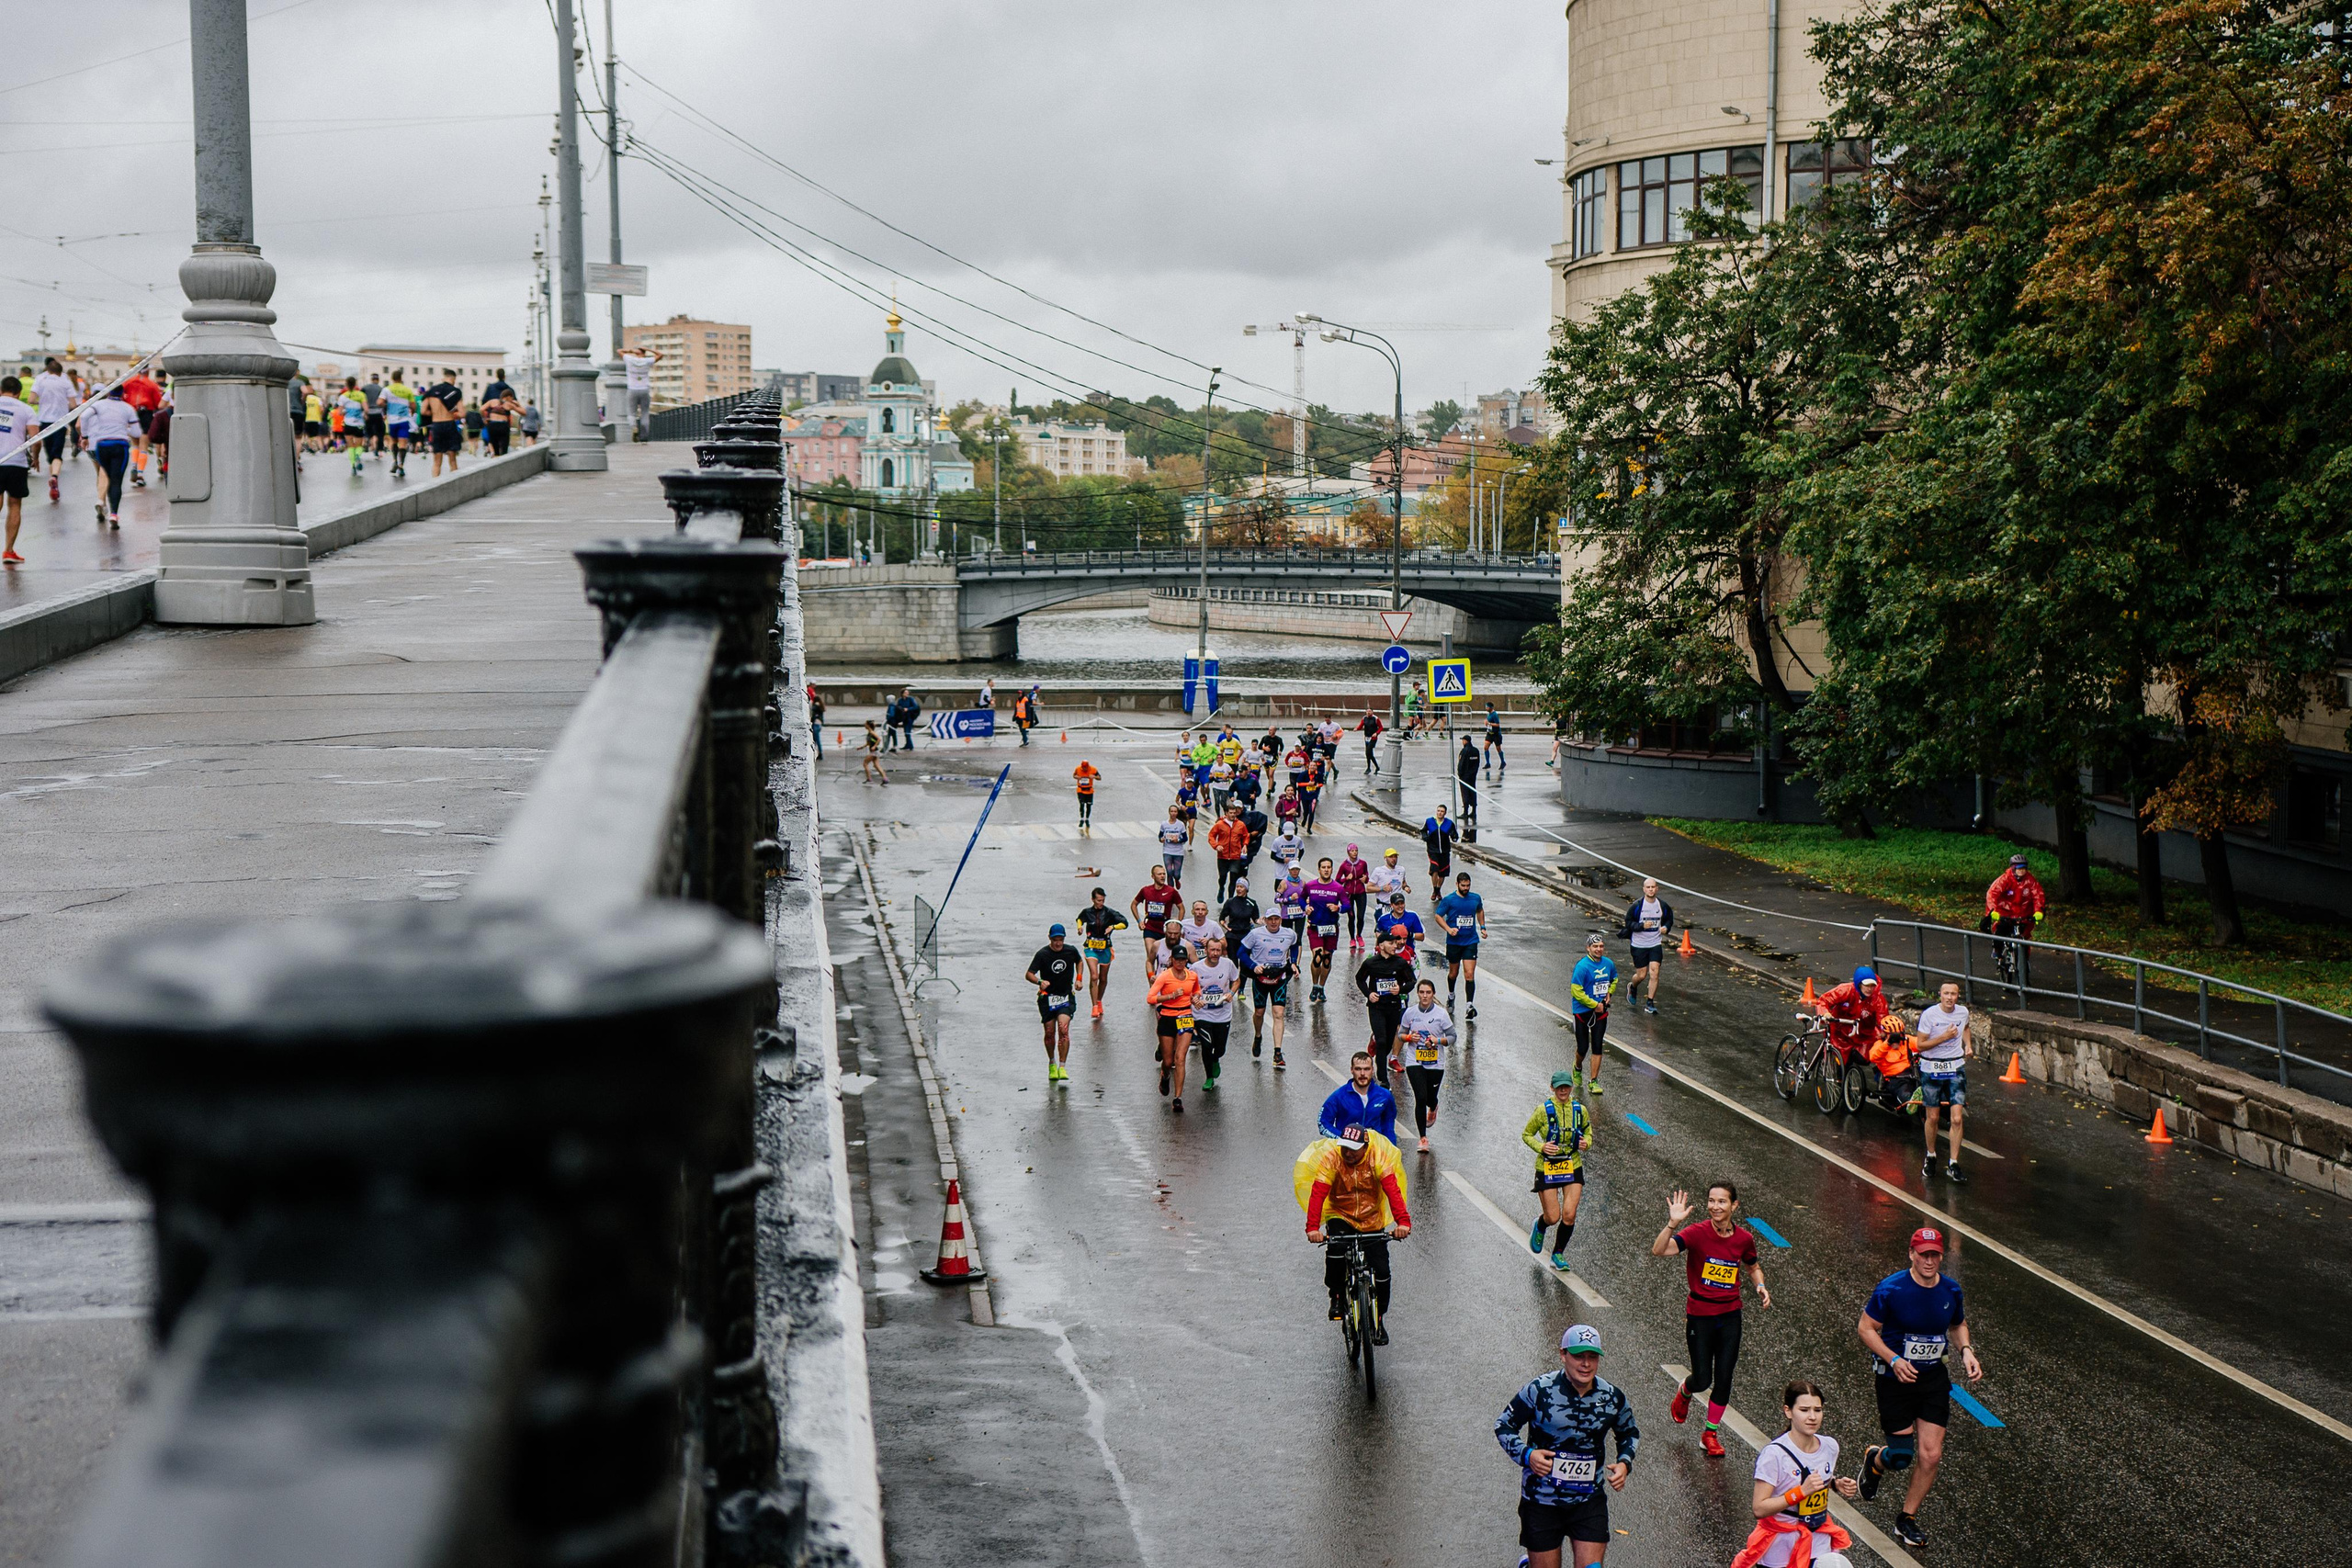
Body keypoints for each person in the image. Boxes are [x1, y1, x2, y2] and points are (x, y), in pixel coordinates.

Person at [1856, 1227, 1981, 1550]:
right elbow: (1866, 1328)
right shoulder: (1891, 1289)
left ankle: (1906, 1519)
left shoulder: (1951, 1291)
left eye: (1935, 1254)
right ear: (1911, 1253)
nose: (1929, 1260)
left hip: (1932, 1381)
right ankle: (1876, 1460)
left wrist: (1966, 1351)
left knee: (1931, 1454)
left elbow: (1957, 1325)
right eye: (1923, 1253)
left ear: (1941, 1256)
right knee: (1901, 1457)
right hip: (1894, 1379)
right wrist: (1894, 1358)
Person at [1494, 1325, 1638, 1568]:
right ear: (1563, 1355)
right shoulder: (1539, 1390)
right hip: (1541, 1500)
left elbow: (1629, 1432)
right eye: (1578, 1356)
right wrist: (1527, 1455)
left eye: (1592, 1357)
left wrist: (1625, 1463)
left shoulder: (1612, 1396)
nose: (1586, 1364)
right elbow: (1504, 1426)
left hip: (1588, 1499)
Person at [1652, 1183, 1770, 1459]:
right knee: (1703, 1378)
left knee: (1725, 1376)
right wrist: (1671, 1224)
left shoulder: (1743, 1239)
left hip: (1730, 1315)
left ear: (1734, 1206)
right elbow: (1660, 1250)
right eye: (1711, 1201)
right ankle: (1686, 1388)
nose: (1716, 1207)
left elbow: (1752, 1266)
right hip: (1700, 1315)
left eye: (1722, 1202)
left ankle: (1710, 1433)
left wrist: (1760, 1285)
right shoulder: (1697, 1233)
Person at [1299, 1121, 1409, 1338]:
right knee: (1335, 1252)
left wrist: (1403, 1222)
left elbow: (1393, 1192)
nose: (1347, 1153)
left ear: (1365, 1147)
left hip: (1372, 1220)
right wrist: (1313, 1227)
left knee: (1383, 1272)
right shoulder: (1331, 1160)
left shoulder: (1378, 1158)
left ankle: (1378, 1319)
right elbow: (1318, 1194)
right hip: (1341, 1215)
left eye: (1353, 1148)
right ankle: (1337, 1296)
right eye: (1344, 1147)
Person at [1740, 1381, 1860, 1568]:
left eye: (1817, 1410)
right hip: (1781, 1545)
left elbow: (1814, 1482)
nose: (1812, 1417)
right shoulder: (1774, 1455)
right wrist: (1800, 1492)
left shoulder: (1830, 1446)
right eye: (1804, 1410)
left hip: (1818, 1538)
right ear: (1788, 1411)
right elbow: (1759, 1508)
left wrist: (1835, 1484)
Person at [1523, 1070, 1592, 1270]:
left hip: (1572, 1164)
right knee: (1554, 1216)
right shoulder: (1542, 1111)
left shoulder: (1580, 1110)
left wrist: (1586, 1142)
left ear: (1571, 1087)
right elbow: (1527, 1134)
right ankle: (1541, 1224)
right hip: (1547, 1166)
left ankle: (1558, 1254)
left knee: (1569, 1214)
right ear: (1552, 1088)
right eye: (1559, 1087)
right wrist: (1541, 1147)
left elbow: (1588, 1130)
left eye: (1567, 1086)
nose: (1563, 1090)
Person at [1912, 981, 1972, 1184]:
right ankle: (1931, 1155)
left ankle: (1954, 1163)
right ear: (1940, 995)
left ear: (1957, 996)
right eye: (1946, 993)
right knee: (1934, 1117)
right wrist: (1944, 1037)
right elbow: (1920, 1045)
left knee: (1956, 1119)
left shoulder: (1962, 1012)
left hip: (1955, 1067)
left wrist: (1968, 1045)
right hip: (1931, 1067)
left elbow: (1966, 1027)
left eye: (1953, 994)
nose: (1949, 997)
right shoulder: (1929, 1015)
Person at [1395, 980, 1455, 1150]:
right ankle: (1423, 1138)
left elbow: (1452, 1037)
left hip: (1436, 1063)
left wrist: (1437, 1041)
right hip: (1415, 1061)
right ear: (1418, 994)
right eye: (1421, 992)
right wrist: (1408, 1038)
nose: (1424, 996)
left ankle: (1434, 1106)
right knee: (1420, 1098)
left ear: (1433, 994)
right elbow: (1401, 1034)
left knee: (1430, 1098)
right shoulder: (1410, 1013)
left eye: (1428, 992)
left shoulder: (1441, 1014)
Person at [1352, 929, 1415, 1090]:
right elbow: (1359, 979)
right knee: (1381, 1041)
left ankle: (1379, 1052)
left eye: (1396, 943)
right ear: (1381, 945)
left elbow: (1411, 981)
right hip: (1376, 1008)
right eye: (1391, 943)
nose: (1395, 946)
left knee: (1386, 1043)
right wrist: (1369, 994)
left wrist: (1400, 989)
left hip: (1393, 1007)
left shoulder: (1400, 963)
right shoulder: (1371, 963)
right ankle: (1383, 1079)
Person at [1241, 908, 1297, 1067]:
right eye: (1270, 919)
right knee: (1259, 1012)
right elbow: (1241, 952)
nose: (1273, 922)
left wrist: (1293, 962)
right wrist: (1253, 966)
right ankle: (1258, 1036)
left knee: (1278, 1014)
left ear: (1280, 920)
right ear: (1265, 920)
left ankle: (1277, 1053)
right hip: (1261, 978)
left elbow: (1294, 945)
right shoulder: (1255, 934)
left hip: (1279, 977)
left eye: (1276, 919)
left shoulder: (1288, 933)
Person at [1145, 948, 1200, 1111]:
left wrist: (1196, 998)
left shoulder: (1192, 976)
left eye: (1183, 960)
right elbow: (1150, 998)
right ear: (1172, 959)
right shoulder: (1165, 976)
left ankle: (1177, 1098)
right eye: (1177, 959)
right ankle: (1165, 1075)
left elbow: (1197, 990)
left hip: (1185, 1016)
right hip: (1168, 1016)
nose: (1180, 962)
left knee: (1180, 1058)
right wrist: (1171, 996)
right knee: (1168, 1061)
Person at [1026, 924, 1081, 1084]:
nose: (1058, 943)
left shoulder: (1070, 951)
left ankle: (1062, 1066)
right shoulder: (1042, 954)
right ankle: (1052, 1062)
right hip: (1048, 998)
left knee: (1063, 1029)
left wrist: (1078, 979)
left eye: (1061, 940)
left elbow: (1079, 962)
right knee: (1050, 1032)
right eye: (1055, 940)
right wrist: (1040, 982)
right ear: (1050, 938)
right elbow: (1029, 974)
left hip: (1065, 997)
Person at [77, 387, 139, 530]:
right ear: (122, 393)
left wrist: (84, 437)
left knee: (101, 474)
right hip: (119, 444)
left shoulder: (96, 406)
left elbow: (82, 419)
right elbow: (136, 432)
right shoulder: (127, 408)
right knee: (114, 479)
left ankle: (101, 500)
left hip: (99, 445)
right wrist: (125, 428)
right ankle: (113, 513)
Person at [1984, 852, 2045, 989]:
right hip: (2005, 913)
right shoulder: (2005, 879)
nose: (2022, 870)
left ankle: (2024, 970)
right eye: (2019, 868)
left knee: (2024, 938)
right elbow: (1992, 894)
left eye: (2024, 868)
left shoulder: (2030, 880)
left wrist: (2038, 911)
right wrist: (1994, 911)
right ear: (2013, 868)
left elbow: (2038, 895)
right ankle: (1998, 950)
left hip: (2023, 914)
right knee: (2000, 930)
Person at [1568, 934, 1618, 1097]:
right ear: (1588, 948)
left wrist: (1609, 993)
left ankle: (1593, 1081)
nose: (1599, 949)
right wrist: (1593, 1004)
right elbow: (1576, 991)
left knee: (1597, 1045)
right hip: (1583, 1012)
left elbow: (1614, 979)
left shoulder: (1608, 964)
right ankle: (1577, 1067)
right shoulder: (1582, 967)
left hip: (1601, 1012)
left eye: (1601, 946)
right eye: (1595, 946)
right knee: (1583, 1047)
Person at [1190, 933, 1240, 1090]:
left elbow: (1236, 980)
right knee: (1206, 1045)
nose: (1215, 953)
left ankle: (1216, 1059)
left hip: (1223, 1014)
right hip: (1203, 1013)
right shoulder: (1196, 968)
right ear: (1206, 950)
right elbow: (1189, 988)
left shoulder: (1228, 964)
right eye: (1212, 950)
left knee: (1220, 1048)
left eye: (1218, 950)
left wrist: (1231, 994)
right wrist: (1195, 999)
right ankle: (1209, 1077)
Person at [1318, 1049, 1398, 1145]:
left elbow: (1388, 1124)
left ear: (1372, 1070)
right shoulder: (1339, 1096)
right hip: (1347, 1152)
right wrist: (1344, 1139)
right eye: (1358, 1069)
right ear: (1352, 1070)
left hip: (1374, 1151)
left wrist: (1391, 1148)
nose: (1362, 1074)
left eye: (1367, 1069)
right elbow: (1323, 1123)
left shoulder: (1385, 1096)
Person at [1434, 869, 1486, 1018]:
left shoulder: (1475, 898)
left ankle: (1469, 1005)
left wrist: (1482, 927)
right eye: (1463, 886)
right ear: (1457, 884)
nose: (1465, 888)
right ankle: (1451, 996)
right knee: (1453, 973)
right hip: (1454, 942)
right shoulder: (1449, 900)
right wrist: (1449, 929)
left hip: (1470, 941)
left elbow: (1480, 911)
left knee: (1469, 974)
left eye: (1468, 886)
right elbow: (1438, 916)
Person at [1816, 966, 1890, 1065]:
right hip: (1839, 1032)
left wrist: (1885, 1031)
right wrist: (1826, 1013)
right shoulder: (1845, 990)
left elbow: (1884, 1019)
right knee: (1840, 1065)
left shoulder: (1878, 999)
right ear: (1859, 984)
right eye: (1867, 985)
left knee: (1866, 1058)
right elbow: (1824, 1000)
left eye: (1872, 986)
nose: (1870, 989)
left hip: (1862, 1035)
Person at [1620, 877, 1673, 1014]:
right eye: (1648, 887)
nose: (1651, 889)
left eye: (1653, 887)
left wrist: (1666, 927)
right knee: (1642, 975)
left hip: (1655, 943)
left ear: (1657, 889)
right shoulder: (1637, 906)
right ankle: (1633, 986)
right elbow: (1628, 923)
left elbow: (1669, 919)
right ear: (1644, 889)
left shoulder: (1662, 905)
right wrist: (1641, 926)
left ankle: (1650, 1002)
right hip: (1639, 945)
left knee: (1655, 972)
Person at [1075, 887, 1127, 1018]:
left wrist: (1113, 927)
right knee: (1094, 976)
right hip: (1091, 948)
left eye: (1103, 900)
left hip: (1105, 948)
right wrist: (1079, 927)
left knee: (1103, 978)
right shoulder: (1087, 912)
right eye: (1098, 900)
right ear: (1093, 900)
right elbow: (1079, 919)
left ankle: (1099, 1001)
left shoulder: (1109, 913)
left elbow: (1125, 923)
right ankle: (1094, 1007)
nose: (1101, 903)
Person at [1303, 856, 1348, 1003]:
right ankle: (1315, 985)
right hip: (1315, 927)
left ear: (1332, 869)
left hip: (1331, 929)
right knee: (1318, 957)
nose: (1326, 870)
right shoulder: (1310, 885)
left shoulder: (1338, 888)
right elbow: (1301, 899)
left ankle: (1321, 987)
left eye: (1329, 867)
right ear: (1319, 869)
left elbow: (1347, 905)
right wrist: (1306, 907)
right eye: (1324, 867)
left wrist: (1338, 908)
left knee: (1327, 960)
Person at [0, 376, 36, 563]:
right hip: (16, 461)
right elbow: (35, 437)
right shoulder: (26, 409)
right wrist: (36, 458)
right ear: (19, 392)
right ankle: (8, 551)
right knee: (14, 504)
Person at [32, 357, 77, 502]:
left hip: (44, 421)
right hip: (60, 422)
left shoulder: (40, 379)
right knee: (57, 454)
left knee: (50, 455)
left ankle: (53, 483)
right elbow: (73, 404)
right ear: (60, 371)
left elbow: (32, 399)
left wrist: (43, 401)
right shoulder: (66, 381)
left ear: (48, 370)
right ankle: (54, 478)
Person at [1129, 865, 1184, 981]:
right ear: (1153, 876)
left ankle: (1168, 980)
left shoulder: (1171, 891)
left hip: (1166, 930)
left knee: (1167, 957)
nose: (1163, 876)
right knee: (1151, 956)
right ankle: (1152, 981)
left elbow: (1181, 908)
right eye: (1159, 874)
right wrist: (1139, 921)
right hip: (1150, 928)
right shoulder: (1146, 890)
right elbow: (1134, 904)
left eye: (1164, 874)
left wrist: (1177, 925)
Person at [120, 361, 162, 487]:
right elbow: (158, 404)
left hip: (131, 413)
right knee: (144, 445)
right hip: (146, 414)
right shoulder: (152, 385)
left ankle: (134, 465)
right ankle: (140, 474)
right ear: (148, 370)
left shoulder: (128, 382)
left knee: (135, 444)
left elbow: (122, 396)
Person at [422, 370, 465, 477]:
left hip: (436, 425)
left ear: (443, 378)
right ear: (453, 379)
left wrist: (434, 413)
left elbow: (423, 411)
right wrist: (454, 415)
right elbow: (462, 413)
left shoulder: (431, 391)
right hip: (449, 424)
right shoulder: (455, 392)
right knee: (452, 458)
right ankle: (455, 485)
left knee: (437, 460)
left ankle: (434, 485)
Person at [1208, 804, 1250, 901]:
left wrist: (1245, 845)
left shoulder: (1240, 824)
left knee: (1233, 878)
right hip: (1223, 856)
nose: (1232, 815)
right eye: (1230, 813)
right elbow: (1211, 836)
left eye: (1234, 813)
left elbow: (1246, 835)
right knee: (1222, 877)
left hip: (1235, 856)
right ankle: (1221, 888)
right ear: (1226, 813)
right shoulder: (1220, 824)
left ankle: (1230, 900)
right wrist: (1216, 846)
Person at [1374, 890, 1424, 965]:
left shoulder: (1413, 916)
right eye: (1397, 904)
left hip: (1406, 954)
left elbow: (1422, 937)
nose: (1400, 906)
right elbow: (1378, 934)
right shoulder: (1384, 918)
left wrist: (1408, 934)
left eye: (1402, 903)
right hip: (1388, 955)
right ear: (1391, 905)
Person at [1336, 843, 1371, 951]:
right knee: (1351, 917)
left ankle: (1359, 935)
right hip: (1349, 893)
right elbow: (1337, 880)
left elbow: (1367, 877)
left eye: (1356, 850)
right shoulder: (1344, 865)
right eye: (1352, 851)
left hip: (1360, 892)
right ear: (1348, 852)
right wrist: (1346, 879)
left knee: (1361, 916)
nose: (1354, 853)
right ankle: (1352, 939)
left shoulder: (1363, 863)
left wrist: (1365, 879)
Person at [381, 376, 417, 478]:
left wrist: (387, 406)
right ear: (401, 379)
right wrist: (411, 411)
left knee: (393, 442)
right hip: (403, 420)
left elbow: (379, 402)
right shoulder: (407, 390)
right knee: (403, 443)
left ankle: (395, 461)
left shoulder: (387, 389)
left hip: (392, 420)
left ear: (392, 379)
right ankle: (401, 466)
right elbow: (413, 406)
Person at [620, 345, 659, 440]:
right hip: (644, 389)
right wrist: (648, 349)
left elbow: (619, 351)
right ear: (644, 353)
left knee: (631, 412)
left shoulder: (629, 359)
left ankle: (634, 427)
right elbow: (660, 355)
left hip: (632, 389)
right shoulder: (647, 361)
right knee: (645, 413)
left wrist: (631, 350)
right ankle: (644, 436)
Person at [1422, 805, 1458, 900]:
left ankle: (1438, 890)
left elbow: (1454, 834)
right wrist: (1425, 837)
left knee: (1442, 873)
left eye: (1442, 811)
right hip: (1433, 850)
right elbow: (1423, 831)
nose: (1440, 813)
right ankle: (1435, 890)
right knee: (1435, 869)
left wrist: (1454, 837)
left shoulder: (1449, 823)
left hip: (1444, 851)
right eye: (1438, 811)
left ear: (1445, 813)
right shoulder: (1430, 821)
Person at [1218, 876, 1260, 957]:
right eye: (1237, 887)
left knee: (1244, 962)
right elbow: (1222, 918)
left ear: (1246, 889)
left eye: (1241, 887)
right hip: (1232, 935)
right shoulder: (1230, 902)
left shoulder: (1252, 903)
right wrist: (1225, 925)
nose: (1239, 889)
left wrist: (1261, 921)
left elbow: (1256, 919)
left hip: (1246, 935)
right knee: (1233, 961)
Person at [338, 381, 368, 475]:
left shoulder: (343, 396)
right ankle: (358, 455)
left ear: (347, 385)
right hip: (359, 423)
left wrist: (346, 411)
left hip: (348, 423)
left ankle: (353, 466)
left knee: (350, 445)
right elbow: (366, 409)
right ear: (355, 384)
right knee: (359, 445)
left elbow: (340, 412)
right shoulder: (361, 395)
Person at [481, 387, 520, 457]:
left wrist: (485, 418)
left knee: (494, 447)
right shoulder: (509, 404)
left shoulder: (492, 401)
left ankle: (495, 457)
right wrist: (517, 404)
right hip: (503, 426)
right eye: (512, 398)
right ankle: (503, 460)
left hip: (492, 425)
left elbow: (481, 409)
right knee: (504, 447)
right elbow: (522, 411)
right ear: (508, 397)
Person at [1177, 899, 1219, 963]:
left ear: (1207, 912)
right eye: (1197, 909)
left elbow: (1224, 943)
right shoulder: (1184, 924)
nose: (1200, 912)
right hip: (1188, 959)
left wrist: (1209, 943)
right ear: (1192, 911)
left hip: (1207, 959)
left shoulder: (1213, 925)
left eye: (1203, 909)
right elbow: (1177, 940)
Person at [1157, 806, 1190, 886]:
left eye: (1175, 812)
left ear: (1177, 813)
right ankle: (1171, 891)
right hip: (1167, 851)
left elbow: (1185, 838)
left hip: (1178, 852)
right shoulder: (1164, 824)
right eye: (1172, 811)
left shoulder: (1180, 824)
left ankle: (1177, 879)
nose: (1173, 813)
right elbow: (1160, 836)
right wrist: (1162, 839)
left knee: (1176, 874)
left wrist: (1178, 840)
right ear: (1169, 812)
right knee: (1169, 872)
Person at [1367, 846, 1408, 910]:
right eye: (1391, 857)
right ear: (1385, 858)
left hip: (1398, 907)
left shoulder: (1401, 870)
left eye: (1395, 857)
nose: (1393, 859)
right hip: (1383, 907)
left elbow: (1403, 883)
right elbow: (1368, 889)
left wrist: (1406, 887)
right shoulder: (1378, 871)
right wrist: (1382, 888)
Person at [1456, 733, 1483, 825]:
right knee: (1473, 792)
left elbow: (1461, 764)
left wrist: (1460, 774)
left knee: (1465, 793)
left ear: (1465, 741)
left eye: (1463, 740)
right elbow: (1477, 763)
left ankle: (1465, 812)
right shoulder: (1476, 751)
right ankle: (1474, 811)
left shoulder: (1464, 751)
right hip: (1473, 776)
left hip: (1465, 776)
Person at [360, 373, 387, 456]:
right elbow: (384, 402)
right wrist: (385, 413)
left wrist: (363, 412)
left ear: (371, 379)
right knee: (379, 432)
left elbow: (361, 400)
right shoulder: (381, 389)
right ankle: (378, 449)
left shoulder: (364, 388)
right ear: (378, 380)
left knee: (370, 431)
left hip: (368, 412)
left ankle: (372, 444)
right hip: (378, 412)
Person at [1072, 758, 1100, 828]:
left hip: (1089, 790)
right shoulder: (1078, 769)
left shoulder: (1093, 769)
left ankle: (1087, 819)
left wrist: (1094, 777)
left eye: (1085, 768)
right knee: (1081, 804)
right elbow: (1074, 775)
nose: (1084, 769)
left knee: (1089, 805)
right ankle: (1082, 819)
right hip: (1080, 789)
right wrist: (1077, 777)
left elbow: (1099, 777)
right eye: (1083, 768)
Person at [1357, 707, 1384, 773]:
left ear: (1372, 712)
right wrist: (1357, 729)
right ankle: (1369, 768)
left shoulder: (1376, 719)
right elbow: (1361, 726)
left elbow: (1381, 727)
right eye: (1367, 711)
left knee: (1369, 752)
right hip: (1367, 737)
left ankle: (1377, 767)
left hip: (1373, 738)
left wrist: (1376, 733)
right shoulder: (1364, 718)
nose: (1368, 713)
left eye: (1370, 711)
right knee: (1368, 754)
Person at [1484, 702, 1506, 777]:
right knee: (1485, 747)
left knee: (1498, 749)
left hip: (1496, 734)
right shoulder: (1488, 714)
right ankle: (1488, 763)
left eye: (1487, 707)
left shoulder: (1495, 714)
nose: (1486, 708)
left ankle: (1503, 762)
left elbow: (1497, 724)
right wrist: (1486, 723)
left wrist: (1489, 723)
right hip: (1490, 733)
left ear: (1491, 707)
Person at [860, 719, 888, 783]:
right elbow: (868, 743)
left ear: (868, 725)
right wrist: (862, 747)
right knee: (876, 765)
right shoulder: (869, 733)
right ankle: (885, 779)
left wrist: (874, 746)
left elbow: (879, 739)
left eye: (865, 724)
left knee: (865, 763)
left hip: (874, 751)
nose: (864, 725)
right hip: (874, 751)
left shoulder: (872, 732)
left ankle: (869, 778)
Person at [807, 685, 826, 758]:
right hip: (819, 724)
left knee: (816, 740)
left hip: (816, 724)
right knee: (816, 739)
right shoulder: (820, 706)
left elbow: (813, 712)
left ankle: (819, 753)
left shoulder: (816, 706)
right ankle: (817, 752)